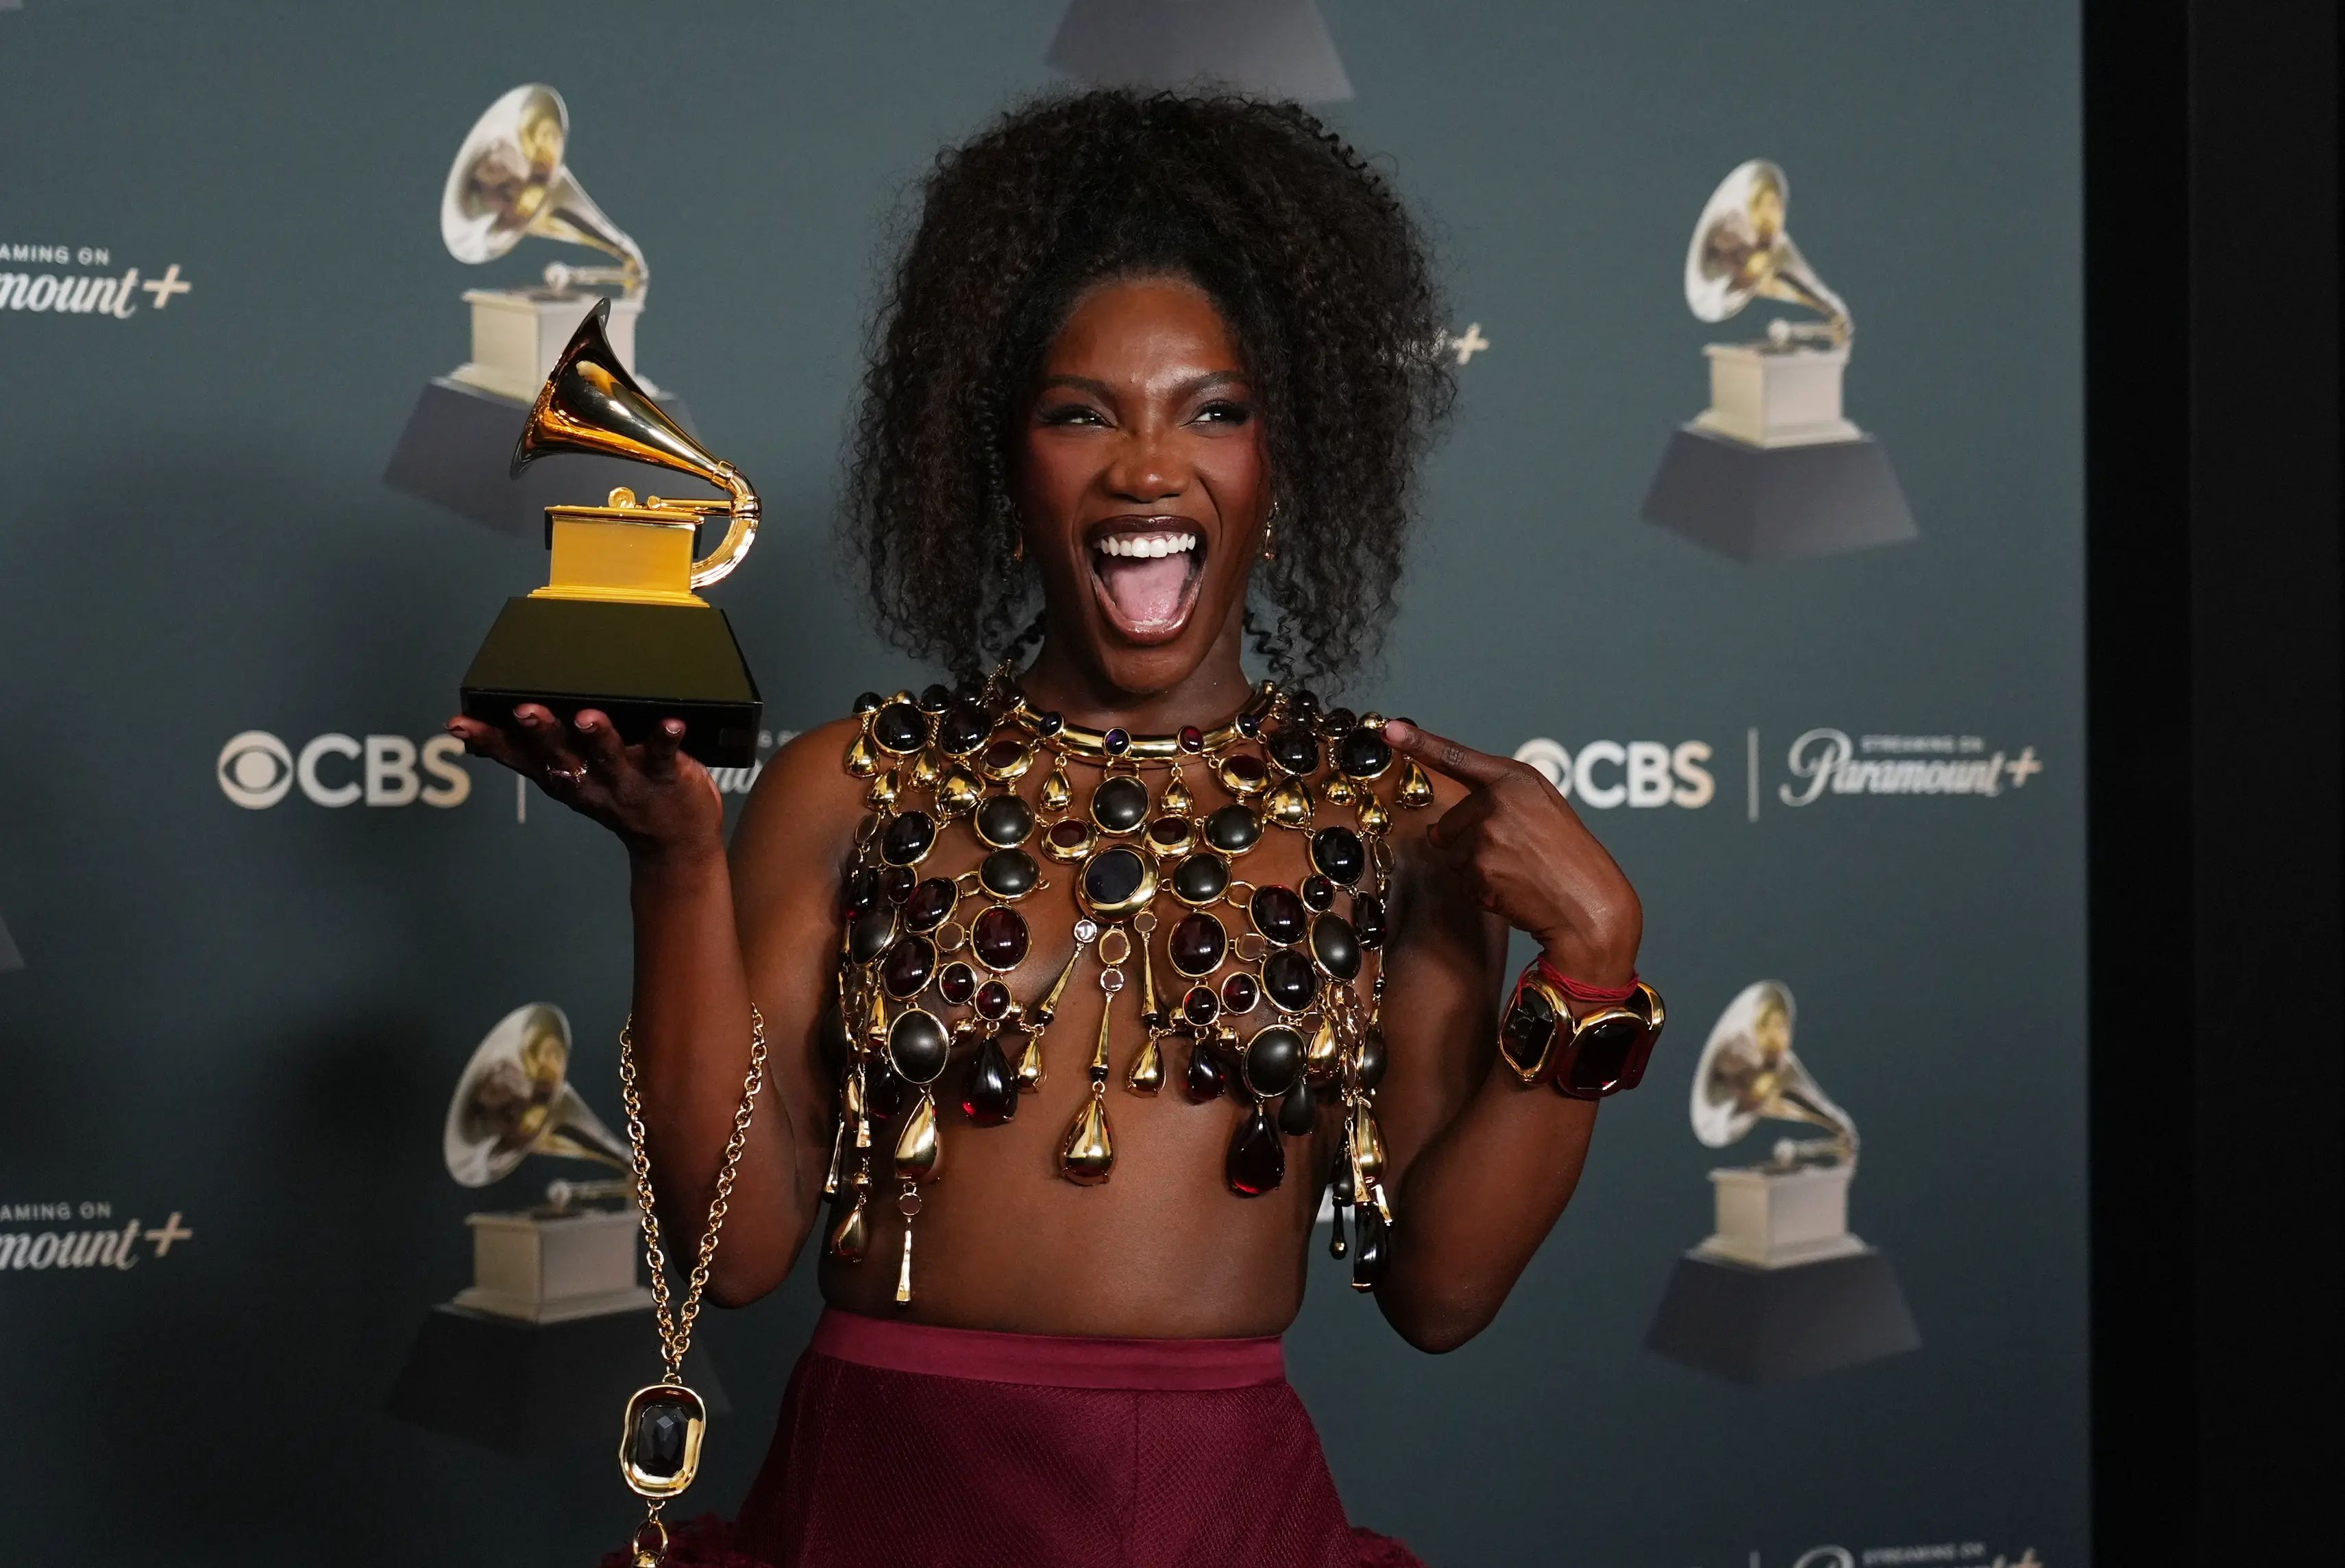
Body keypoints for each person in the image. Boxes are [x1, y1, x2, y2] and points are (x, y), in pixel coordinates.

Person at [450, 88, 1650, 1568]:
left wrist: (1592, 970)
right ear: (1004, 469)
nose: (1146, 466)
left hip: (1217, 1514)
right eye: (1081, 414)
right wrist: (676, 865)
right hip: (885, 1505)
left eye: (1214, 410)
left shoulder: (1395, 820)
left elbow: (1440, 1296)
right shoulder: (850, 786)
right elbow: (737, 1253)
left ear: (1282, 463)